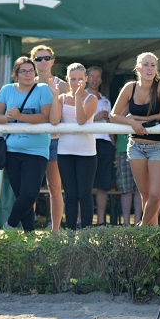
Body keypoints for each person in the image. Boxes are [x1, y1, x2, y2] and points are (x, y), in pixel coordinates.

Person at [0, 57, 53, 232]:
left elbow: (45, 116)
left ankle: (9, 225)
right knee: (22, 197)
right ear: (16, 74)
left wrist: (19, 116)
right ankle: (29, 237)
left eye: (31, 71)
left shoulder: (43, 89)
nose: (28, 74)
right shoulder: (7, 90)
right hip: (12, 151)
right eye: (23, 71)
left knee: (29, 194)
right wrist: (6, 118)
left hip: (37, 151)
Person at [110, 52, 160, 226]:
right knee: (145, 195)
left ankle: (142, 228)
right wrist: (129, 120)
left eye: (153, 65)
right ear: (137, 68)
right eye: (145, 64)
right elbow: (114, 115)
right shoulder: (130, 87)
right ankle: (152, 237)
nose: (149, 68)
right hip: (136, 145)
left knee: (155, 195)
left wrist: (135, 119)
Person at [50, 63, 98, 230]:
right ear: (67, 79)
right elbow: (55, 121)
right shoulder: (62, 98)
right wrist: (56, 96)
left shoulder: (91, 99)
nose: (76, 82)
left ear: (86, 79)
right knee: (70, 194)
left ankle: (85, 234)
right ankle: (70, 234)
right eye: (72, 79)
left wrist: (78, 96)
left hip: (87, 151)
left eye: (80, 79)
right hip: (65, 150)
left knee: (85, 194)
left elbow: (81, 120)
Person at [30, 45, 68, 232]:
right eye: (38, 59)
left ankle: (55, 230)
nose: (43, 61)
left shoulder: (63, 86)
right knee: (30, 188)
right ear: (33, 62)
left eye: (46, 58)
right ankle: (28, 229)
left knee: (55, 187)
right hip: (31, 142)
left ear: (53, 61)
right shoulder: (27, 83)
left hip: (55, 141)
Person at [87, 66, 115, 225]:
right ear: (86, 78)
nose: (95, 79)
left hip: (104, 145)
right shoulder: (80, 97)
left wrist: (112, 143)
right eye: (92, 76)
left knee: (103, 184)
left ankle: (101, 221)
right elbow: (78, 120)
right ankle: (82, 219)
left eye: (98, 76)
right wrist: (96, 117)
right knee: (85, 184)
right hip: (87, 142)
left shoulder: (106, 101)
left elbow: (110, 124)